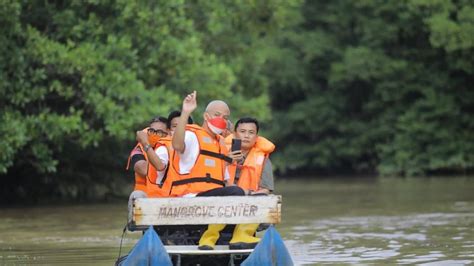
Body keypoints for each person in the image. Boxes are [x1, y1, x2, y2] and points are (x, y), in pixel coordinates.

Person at [169, 91, 259, 250]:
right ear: (206, 116)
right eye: (217, 115)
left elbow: (224, 182)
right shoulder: (192, 135)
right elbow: (177, 144)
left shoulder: (221, 144)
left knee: (255, 197)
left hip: (214, 201)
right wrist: (186, 112)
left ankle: (239, 237)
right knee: (235, 192)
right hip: (191, 199)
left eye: (225, 117)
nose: (222, 119)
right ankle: (209, 238)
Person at [126, 116, 170, 226]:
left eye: (159, 132)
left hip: (169, 197)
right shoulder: (139, 149)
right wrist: (147, 146)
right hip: (147, 198)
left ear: (168, 133)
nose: (154, 135)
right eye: (152, 131)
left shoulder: (173, 148)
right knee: (136, 195)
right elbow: (144, 169)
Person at [226, 117, 275, 195]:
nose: (246, 136)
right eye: (242, 131)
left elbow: (266, 190)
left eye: (251, 132)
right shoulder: (222, 152)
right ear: (234, 134)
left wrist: (248, 194)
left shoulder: (263, 160)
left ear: (256, 137)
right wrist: (226, 161)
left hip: (250, 200)